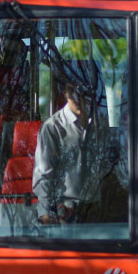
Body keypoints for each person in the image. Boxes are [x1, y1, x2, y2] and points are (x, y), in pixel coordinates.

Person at [32, 76, 125, 224]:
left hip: (97, 210)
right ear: (65, 94)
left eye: (83, 96)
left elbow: (108, 165)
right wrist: (45, 212)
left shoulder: (100, 124)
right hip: (66, 210)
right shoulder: (53, 127)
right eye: (73, 95)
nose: (79, 100)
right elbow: (44, 172)